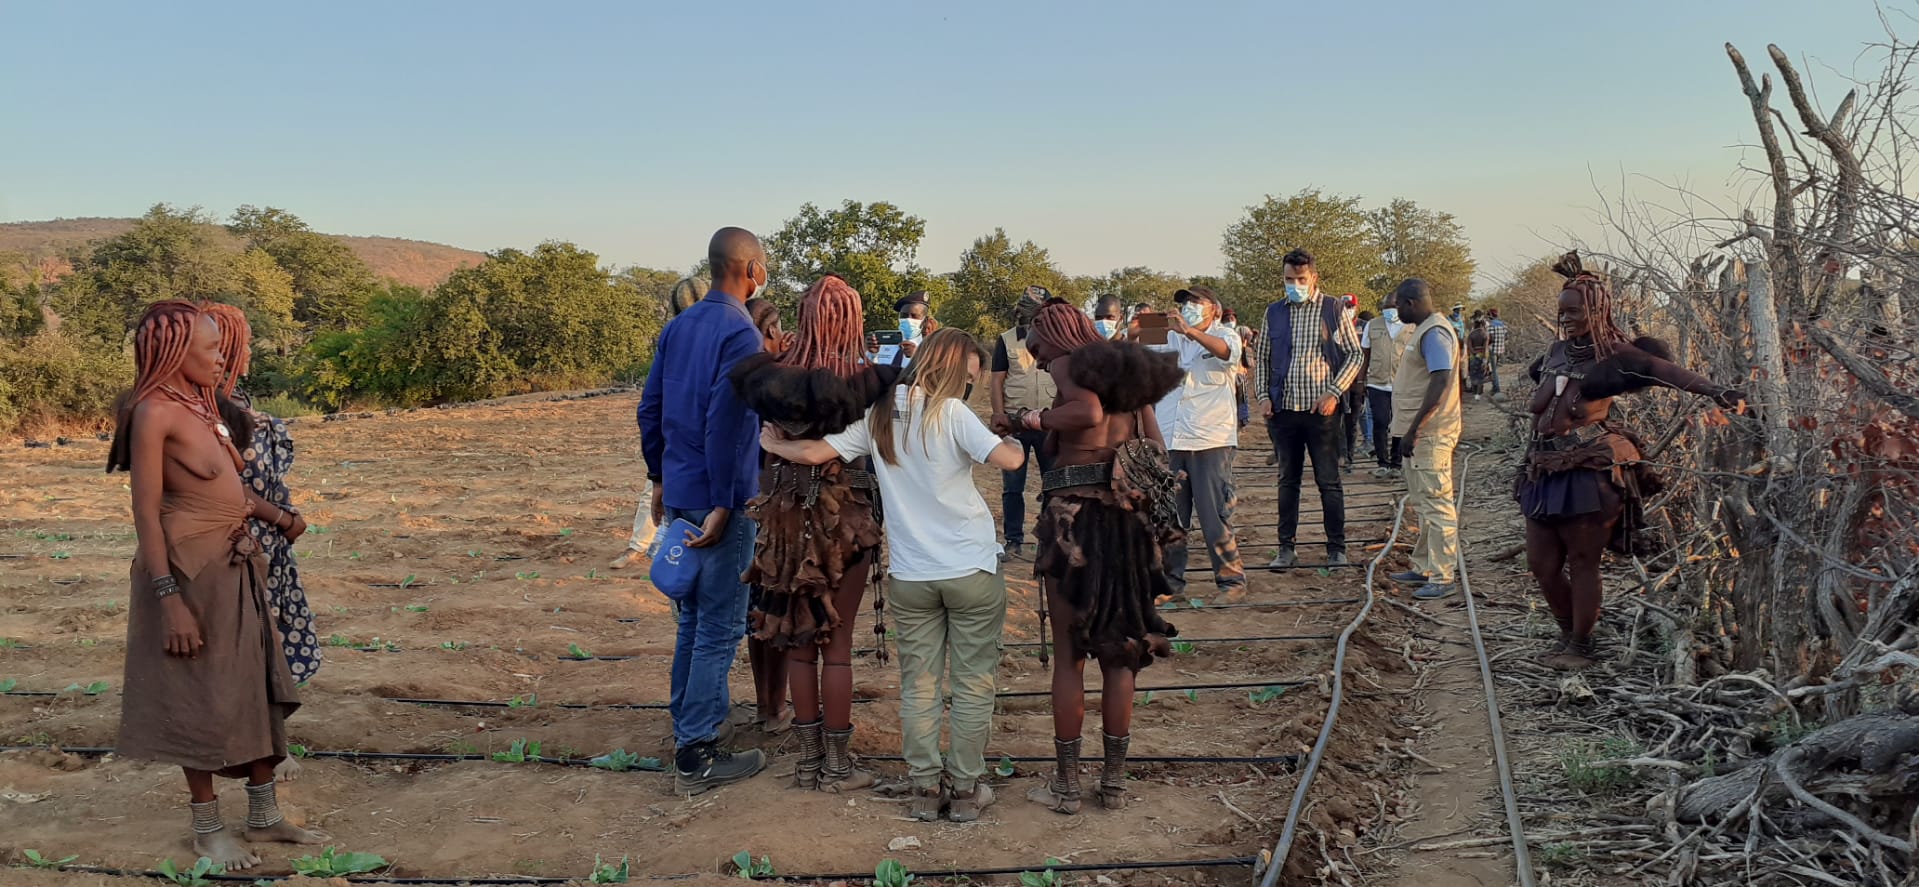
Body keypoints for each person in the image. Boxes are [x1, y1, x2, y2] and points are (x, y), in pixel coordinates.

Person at [760, 328, 1024, 823]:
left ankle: (925, 787)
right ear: (950, 370)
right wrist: (1015, 443)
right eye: (968, 377)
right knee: (971, 682)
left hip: (911, 574)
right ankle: (966, 788)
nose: (968, 386)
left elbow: (818, 454)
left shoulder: (878, 415)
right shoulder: (952, 414)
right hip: (969, 566)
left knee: (919, 683)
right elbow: (1006, 460)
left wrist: (772, 442)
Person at [108, 301, 327, 871]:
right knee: (197, 694)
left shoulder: (204, 407)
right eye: (211, 348)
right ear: (179, 352)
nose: (222, 357)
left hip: (237, 565)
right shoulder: (153, 412)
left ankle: (263, 813)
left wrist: (278, 518)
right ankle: (208, 829)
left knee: (255, 683)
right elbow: (147, 512)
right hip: (189, 572)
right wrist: (169, 598)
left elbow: (227, 490)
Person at [1519, 253, 1745, 670]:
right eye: (1562, 311)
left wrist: (1718, 392)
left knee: (1584, 561)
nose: (1566, 318)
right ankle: (1568, 632)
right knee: (1542, 564)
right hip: (1543, 470)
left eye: (1575, 311)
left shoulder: (1617, 357)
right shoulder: (1554, 353)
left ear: (1598, 309)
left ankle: (1581, 646)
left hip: (1587, 474)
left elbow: (1667, 371)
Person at [1015, 301, 1185, 815]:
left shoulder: (1071, 362)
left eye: (1037, 344)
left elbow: (1086, 413)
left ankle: (1067, 786)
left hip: (1076, 520)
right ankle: (1113, 784)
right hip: (1128, 524)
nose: (1037, 356)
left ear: (1055, 335)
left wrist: (1033, 417)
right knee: (1120, 652)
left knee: (1070, 657)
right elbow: (1155, 446)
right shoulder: (1126, 370)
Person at [732, 275, 896, 790]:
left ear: (803, 318)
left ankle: (806, 763)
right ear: (853, 320)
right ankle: (838, 765)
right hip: (846, 519)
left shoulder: (768, 379)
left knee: (798, 638)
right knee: (839, 644)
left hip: (783, 521)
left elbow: (764, 442)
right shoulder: (873, 382)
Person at [637, 227, 770, 793]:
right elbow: (729, 427)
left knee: (692, 618)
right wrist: (724, 502)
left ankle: (689, 721)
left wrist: (660, 478)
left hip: (683, 487)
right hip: (723, 496)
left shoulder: (678, 327)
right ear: (750, 270)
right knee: (718, 623)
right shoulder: (742, 335)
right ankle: (697, 753)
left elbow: (651, 408)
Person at [202, 304, 320, 785]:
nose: (249, 350)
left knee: (271, 641)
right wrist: (284, 518)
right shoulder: (216, 413)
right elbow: (236, 493)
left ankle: (269, 748)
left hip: (267, 542)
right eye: (243, 342)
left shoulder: (235, 404)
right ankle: (267, 753)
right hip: (249, 544)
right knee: (260, 645)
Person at [1252, 249, 1364, 568]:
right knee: (1288, 480)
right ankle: (1286, 548)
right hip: (1283, 410)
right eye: (1289, 279)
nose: (1295, 284)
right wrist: (1263, 395)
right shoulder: (1274, 312)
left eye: (1301, 279)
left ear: (1313, 277)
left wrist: (1333, 392)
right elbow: (1264, 357)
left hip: (1322, 412)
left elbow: (1354, 355)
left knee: (1328, 481)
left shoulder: (1333, 309)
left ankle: (1336, 549)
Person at [1131, 286, 1245, 598]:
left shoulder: (1226, 334)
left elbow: (1225, 352)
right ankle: (1172, 583)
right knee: (1171, 517)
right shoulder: (1169, 336)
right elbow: (1130, 341)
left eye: (1197, 302)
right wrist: (1141, 324)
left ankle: (1231, 581)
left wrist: (1190, 331)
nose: (1190, 307)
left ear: (1215, 310)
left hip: (1211, 440)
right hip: (1172, 439)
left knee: (1213, 516)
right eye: (1186, 303)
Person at [613, 277, 710, 570]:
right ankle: (647, 546)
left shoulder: (672, 335)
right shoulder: (720, 335)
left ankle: (644, 547)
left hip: (677, 434)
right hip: (696, 433)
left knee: (658, 492)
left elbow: (651, 405)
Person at [1381, 280, 1465, 602]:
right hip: (1419, 434)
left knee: (1437, 504)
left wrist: (1416, 429)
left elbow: (1441, 380)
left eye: (1398, 305)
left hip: (1431, 434)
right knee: (1423, 502)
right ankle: (1424, 567)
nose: (1396, 310)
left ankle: (1442, 576)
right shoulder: (1424, 330)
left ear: (1412, 303)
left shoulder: (1434, 333)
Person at [738, 296, 794, 735]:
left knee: (754, 608)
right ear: (772, 332)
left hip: (738, 499)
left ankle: (762, 705)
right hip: (772, 502)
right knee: (775, 608)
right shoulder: (775, 380)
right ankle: (776, 708)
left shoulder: (737, 372)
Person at [989, 286, 1059, 560]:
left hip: (1048, 421)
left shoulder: (1057, 338)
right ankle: (1013, 540)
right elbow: (997, 380)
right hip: (1015, 422)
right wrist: (998, 416)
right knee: (1012, 487)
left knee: (1053, 482)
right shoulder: (1006, 340)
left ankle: (1050, 540)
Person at [1359, 301, 1414, 478]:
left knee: (1398, 424)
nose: (1389, 310)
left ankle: (1396, 464)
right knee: (1380, 421)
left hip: (1402, 383)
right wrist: (1360, 381)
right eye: (1385, 307)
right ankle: (1382, 462)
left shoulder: (1412, 326)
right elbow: (1364, 354)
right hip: (1377, 382)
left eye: (1392, 306)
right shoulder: (1372, 325)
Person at [889, 291, 939, 368]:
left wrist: (917, 356)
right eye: (904, 315)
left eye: (915, 316)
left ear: (925, 320)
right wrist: (872, 354)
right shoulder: (887, 343)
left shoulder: (932, 347)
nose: (908, 319)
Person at [1486, 308, 1509, 396]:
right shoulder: (1503, 325)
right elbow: (1506, 337)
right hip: (1501, 349)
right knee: (1495, 369)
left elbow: (1491, 338)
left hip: (1493, 350)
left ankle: (1496, 388)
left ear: (1490, 315)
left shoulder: (1491, 326)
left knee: (1494, 370)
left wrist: (1487, 344)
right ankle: (1495, 387)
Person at [1467, 318, 1491, 399]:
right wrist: (1484, 358)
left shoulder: (1471, 334)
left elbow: (1469, 346)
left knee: (1473, 373)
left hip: (1473, 356)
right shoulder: (1485, 334)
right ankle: (1479, 393)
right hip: (1482, 355)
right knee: (1481, 373)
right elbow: (1485, 347)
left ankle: (1474, 392)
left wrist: (1474, 353)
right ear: (1482, 325)